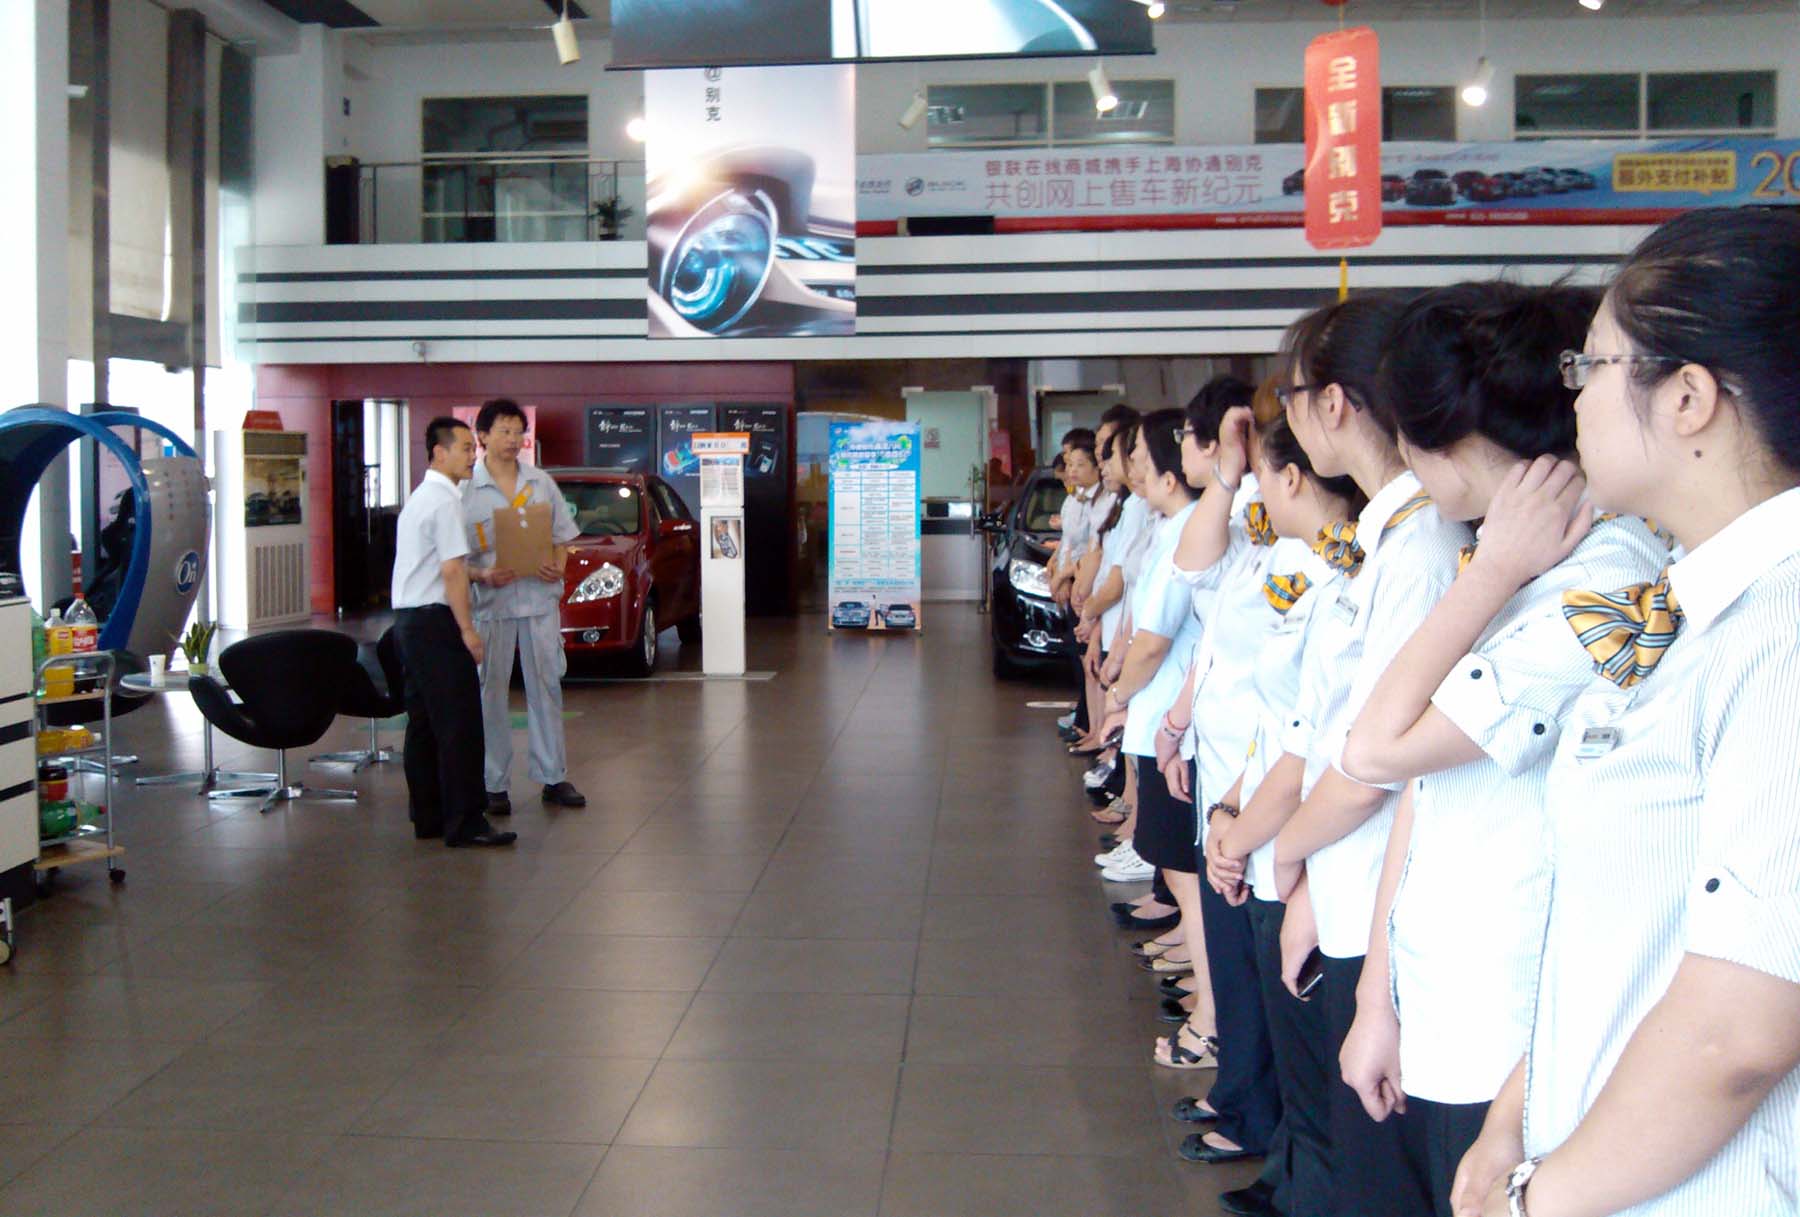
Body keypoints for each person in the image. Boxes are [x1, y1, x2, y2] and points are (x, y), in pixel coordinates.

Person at [1450, 208, 1800, 1217]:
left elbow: (1738, 1033)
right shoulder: (1693, 604)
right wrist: (1517, 1112)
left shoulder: (1780, 631)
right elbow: (1618, 931)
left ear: (1688, 397)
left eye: (1593, 365)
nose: (1574, 397)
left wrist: (1537, 1197)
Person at [1331, 282, 1667, 1217]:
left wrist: (1496, 570)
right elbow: (1423, 796)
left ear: (1446, 442)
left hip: (1511, 1032)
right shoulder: (1501, 560)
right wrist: (1377, 996)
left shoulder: (1602, 582)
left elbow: (1375, 748)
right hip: (1441, 999)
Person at [390, 417, 516, 848]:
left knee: (424, 723)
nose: (472, 456)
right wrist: (467, 630)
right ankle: (465, 822)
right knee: (459, 723)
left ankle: (429, 816)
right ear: (439, 453)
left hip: (409, 622)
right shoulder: (445, 501)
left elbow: (439, 565)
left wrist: (480, 574)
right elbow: (450, 571)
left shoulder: (421, 497)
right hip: (435, 623)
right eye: (464, 448)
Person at [460, 399, 586, 815]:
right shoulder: (466, 490)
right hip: (491, 604)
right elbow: (454, 561)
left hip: (538, 600)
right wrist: (482, 575)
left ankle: (553, 775)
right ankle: (493, 783)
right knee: (490, 693)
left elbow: (562, 537)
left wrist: (558, 566)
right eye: (504, 431)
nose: (513, 440)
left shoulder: (540, 482)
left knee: (546, 687)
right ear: (482, 435)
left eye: (518, 432)